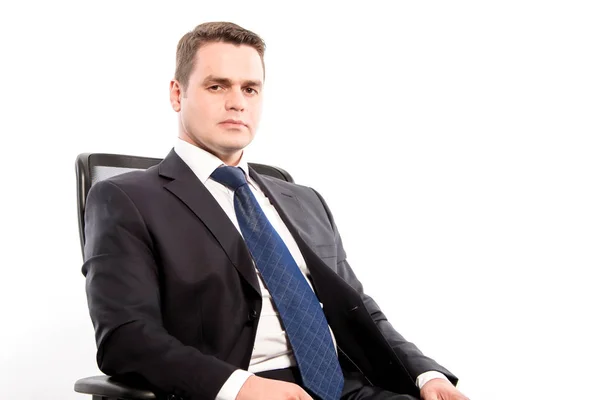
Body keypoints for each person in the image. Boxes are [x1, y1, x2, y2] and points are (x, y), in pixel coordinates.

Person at [82, 21, 469, 400]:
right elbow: (126, 337)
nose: (237, 102)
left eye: (250, 88)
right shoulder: (124, 198)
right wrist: (239, 388)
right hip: (240, 386)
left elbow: (359, 310)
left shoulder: (304, 200)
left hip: (347, 383)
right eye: (217, 86)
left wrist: (425, 373)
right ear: (177, 94)